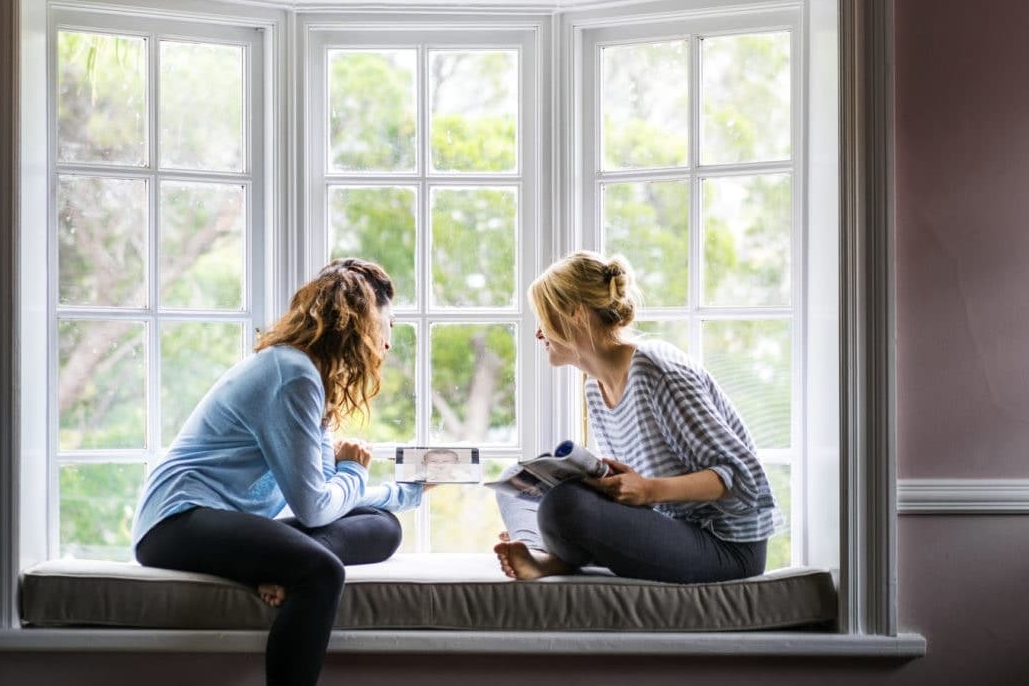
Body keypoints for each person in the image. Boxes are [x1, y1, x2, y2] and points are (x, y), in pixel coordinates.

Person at [132, 258, 422, 686]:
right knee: (322, 572)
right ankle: (283, 567)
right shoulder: (292, 376)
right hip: (177, 520)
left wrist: (407, 493)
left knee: (384, 527)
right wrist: (352, 471)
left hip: (227, 522)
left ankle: (272, 564)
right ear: (361, 322)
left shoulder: (311, 378)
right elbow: (316, 509)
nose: (389, 342)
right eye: (389, 325)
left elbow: (325, 495)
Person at [494, 251, 781, 584]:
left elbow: (743, 479)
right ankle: (540, 554)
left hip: (726, 546)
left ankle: (555, 556)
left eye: (543, 318)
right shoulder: (594, 388)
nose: (538, 334)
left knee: (564, 506)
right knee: (516, 478)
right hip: (666, 522)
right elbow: (637, 487)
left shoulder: (658, 371)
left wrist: (648, 490)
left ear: (574, 314)